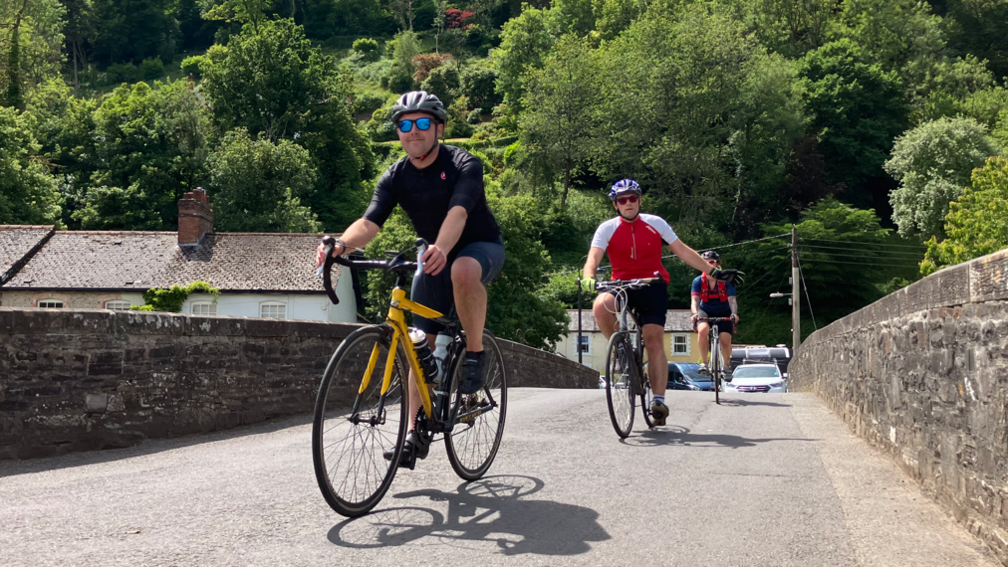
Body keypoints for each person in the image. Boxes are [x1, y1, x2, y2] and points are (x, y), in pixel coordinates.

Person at [315, 90, 505, 466]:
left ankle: (475, 355)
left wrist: (444, 247)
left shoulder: (464, 163)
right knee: (416, 344)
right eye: (405, 124)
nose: (413, 131)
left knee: (461, 269)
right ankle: (416, 430)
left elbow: (459, 213)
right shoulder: (396, 175)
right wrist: (340, 245)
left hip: (478, 246)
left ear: (439, 128)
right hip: (433, 253)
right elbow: (369, 223)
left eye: (422, 123)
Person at [581, 180, 742, 426]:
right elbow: (593, 256)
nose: (628, 203)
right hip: (620, 284)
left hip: (652, 284)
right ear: (615, 204)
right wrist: (588, 276)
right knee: (600, 306)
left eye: (632, 198)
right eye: (622, 200)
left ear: (639, 200)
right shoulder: (607, 228)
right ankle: (623, 350)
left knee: (654, 340)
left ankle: (658, 399)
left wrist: (714, 273)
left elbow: (683, 251)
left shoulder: (655, 223)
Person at [690, 250, 739, 381]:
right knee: (703, 330)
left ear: (717, 264)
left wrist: (734, 313)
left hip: (724, 311)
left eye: (711, 262)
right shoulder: (698, 281)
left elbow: (732, 300)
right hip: (705, 310)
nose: (708, 264)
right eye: (704, 262)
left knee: (725, 339)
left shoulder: (727, 281)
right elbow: (695, 300)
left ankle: (727, 366)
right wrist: (695, 314)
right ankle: (704, 363)